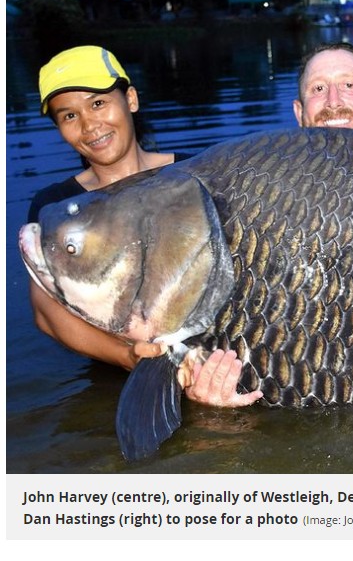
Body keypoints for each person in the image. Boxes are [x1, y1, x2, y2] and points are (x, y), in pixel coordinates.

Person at [27, 45, 262, 409]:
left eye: (98, 104)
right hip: (116, 377)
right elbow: (46, 313)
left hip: (220, 363)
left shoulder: (195, 174)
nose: (90, 125)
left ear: (131, 99)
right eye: (69, 115)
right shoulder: (58, 209)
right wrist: (129, 356)